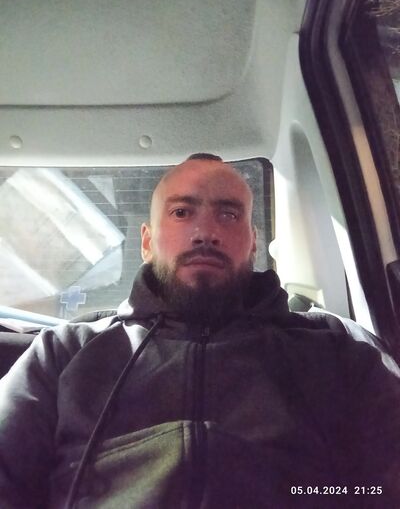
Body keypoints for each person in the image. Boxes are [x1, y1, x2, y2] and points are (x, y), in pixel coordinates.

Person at [0, 153, 399, 508]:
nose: (206, 232)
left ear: (253, 242)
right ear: (147, 242)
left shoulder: (335, 348)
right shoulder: (65, 350)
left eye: (228, 214)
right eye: (181, 212)